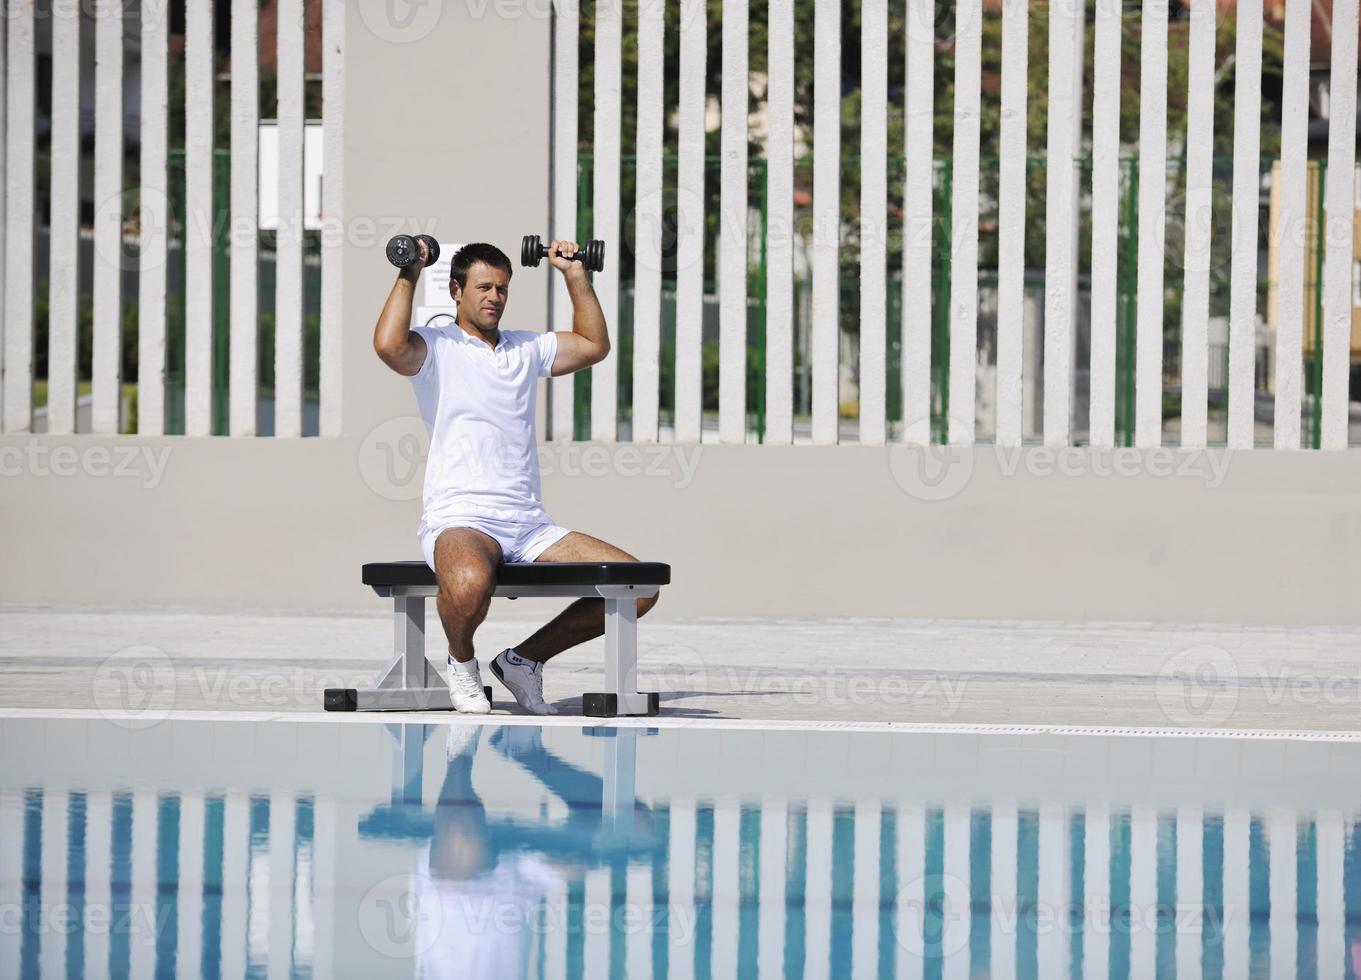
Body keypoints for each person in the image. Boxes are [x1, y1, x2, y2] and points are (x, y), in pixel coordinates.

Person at [372, 240, 660, 715]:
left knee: (639, 587)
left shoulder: (526, 347)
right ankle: (462, 666)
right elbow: (387, 344)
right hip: (462, 517)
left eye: (502, 288)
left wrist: (574, 274)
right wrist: (410, 270)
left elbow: (594, 346)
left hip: (528, 524)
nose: (494, 297)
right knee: (467, 582)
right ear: (456, 290)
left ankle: (523, 661)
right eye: (484, 286)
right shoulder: (435, 347)